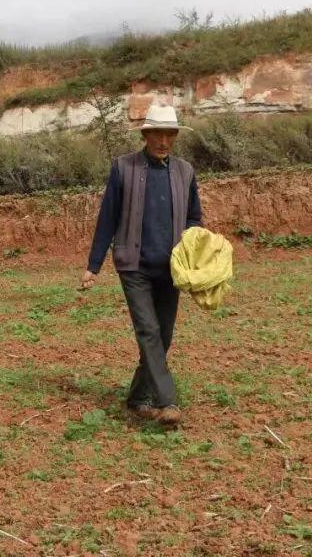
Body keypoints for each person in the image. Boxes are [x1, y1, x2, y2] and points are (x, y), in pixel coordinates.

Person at [81, 104, 202, 427]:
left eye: (169, 134)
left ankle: (137, 398)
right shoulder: (124, 168)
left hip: (171, 268)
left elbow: (194, 219)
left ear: (175, 136)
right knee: (148, 330)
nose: (163, 141)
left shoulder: (185, 172)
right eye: (157, 134)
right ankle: (167, 400)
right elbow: (108, 217)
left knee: (163, 335)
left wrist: (197, 255)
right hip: (134, 266)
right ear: (146, 135)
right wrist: (94, 265)